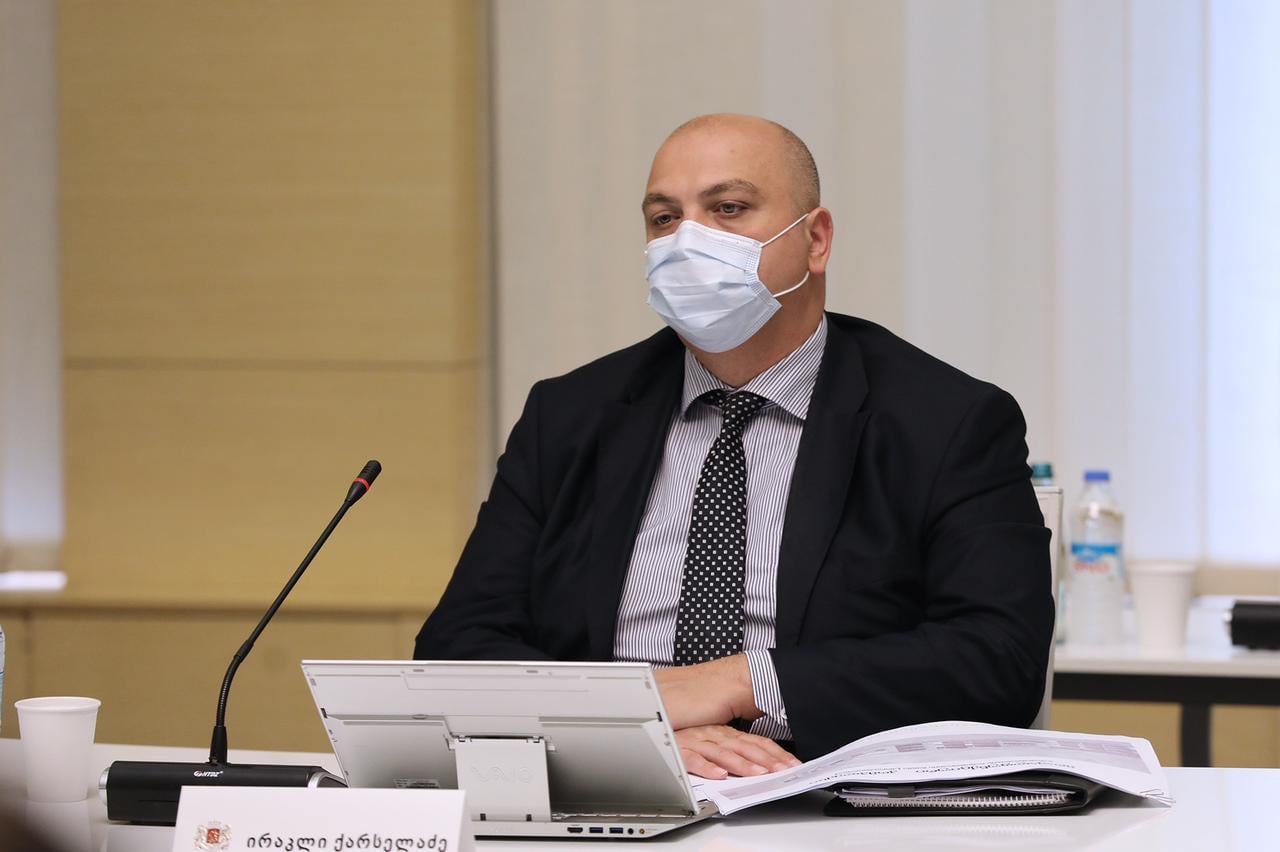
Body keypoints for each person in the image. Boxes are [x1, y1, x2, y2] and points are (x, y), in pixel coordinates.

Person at [415, 113, 1053, 780]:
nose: (687, 240)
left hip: (823, 798)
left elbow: (999, 658)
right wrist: (632, 725)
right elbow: (456, 647)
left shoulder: (944, 421)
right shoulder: (570, 416)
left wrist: (739, 681)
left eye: (728, 208)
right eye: (664, 219)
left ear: (815, 239)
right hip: (607, 785)